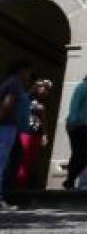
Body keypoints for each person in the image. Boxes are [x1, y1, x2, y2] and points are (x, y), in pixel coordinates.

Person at [0, 60, 32, 210]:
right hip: (6, 126)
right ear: (21, 70)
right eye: (28, 71)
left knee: (10, 160)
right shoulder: (14, 83)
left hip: (11, 127)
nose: (29, 75)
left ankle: (5, 194)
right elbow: (8, 103)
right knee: (3, 162)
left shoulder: (12, 82)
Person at [15, 79, 52, 188]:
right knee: (22, 159)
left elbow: (44, 120)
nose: (44, 90)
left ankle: (22, 185)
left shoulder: (42, 103)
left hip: (36, 134)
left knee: (30, 161)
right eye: (42, 87)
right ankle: (16, 185)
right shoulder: (26, 97)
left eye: (47, 89)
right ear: (36, 87)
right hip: (25, 132)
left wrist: (45, 134)